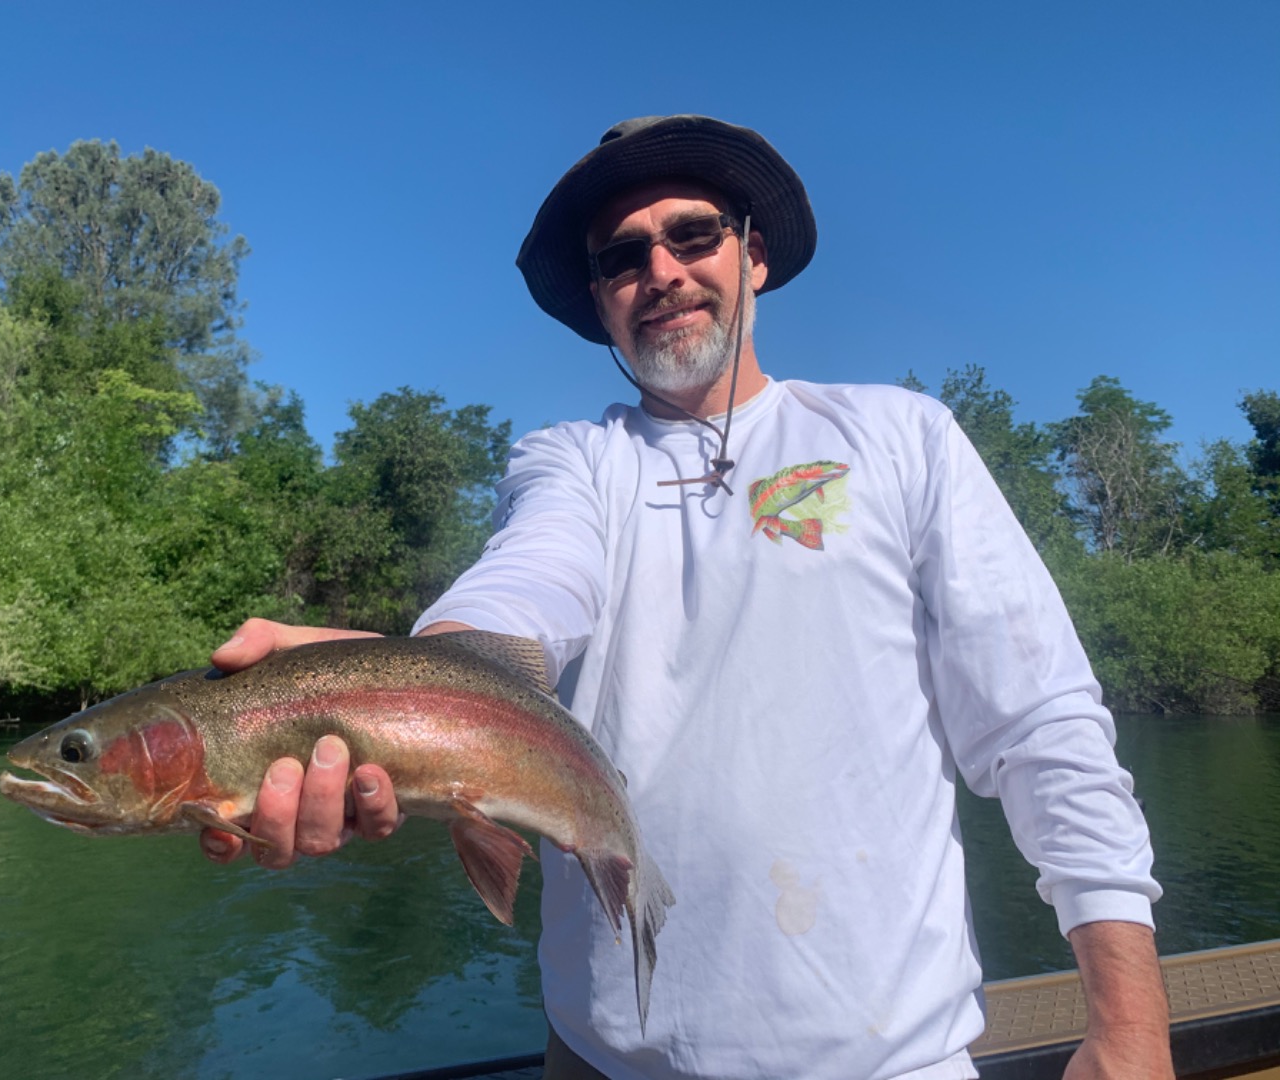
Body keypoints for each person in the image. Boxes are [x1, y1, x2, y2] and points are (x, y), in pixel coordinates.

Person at [201, 116, 1172, 1080]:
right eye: (623, 256)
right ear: (601, 301)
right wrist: (408, 680)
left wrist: (1129, 1028)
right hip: (599, 1060)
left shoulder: (901, 438)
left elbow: (1042, 726)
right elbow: (528, 581)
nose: (659, 269)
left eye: (693, 234)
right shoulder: (571, 461)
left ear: (754, 255)